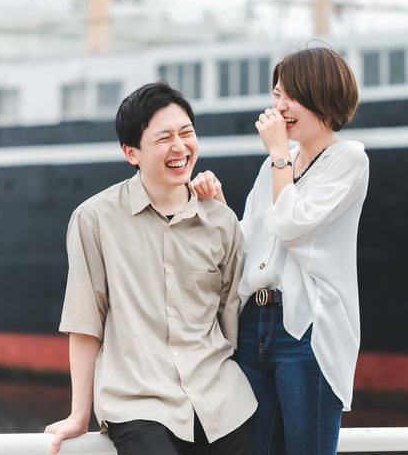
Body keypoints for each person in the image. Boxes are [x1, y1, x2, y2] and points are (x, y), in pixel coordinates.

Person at [45, 81, 257, 455]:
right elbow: (84, 319)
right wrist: (80, 413)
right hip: (139, 403)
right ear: (132, 153)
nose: (179, 147)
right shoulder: (94, 219)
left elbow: (231, 314)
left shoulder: (222, 221)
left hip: (222, 403)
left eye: (186, 133)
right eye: (164, 138)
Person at [192, 46, 369, 455]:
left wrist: (276, 156)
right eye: (276, 94)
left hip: (304, 328)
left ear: (322, 96)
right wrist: (217, 206)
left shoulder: (348, 159)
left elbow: (291, 226)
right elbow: (248, 239)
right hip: (253, 322)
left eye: (291, 95)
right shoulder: (278, 163)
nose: (279, 106)